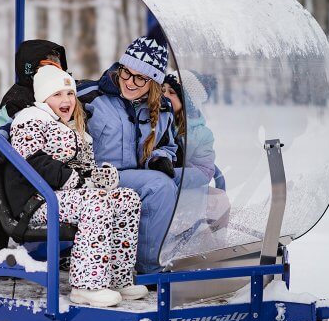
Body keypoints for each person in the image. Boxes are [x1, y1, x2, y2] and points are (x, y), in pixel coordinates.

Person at [8, 65, 146, 307]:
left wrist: (99, 177)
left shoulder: (71, 127)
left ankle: (117, 278)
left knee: (127, 198)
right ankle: (86, 286)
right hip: (37, 200)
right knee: (96, 202)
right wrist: (75, 181)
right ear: (43, 97)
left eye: (70, 94)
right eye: (58, 94)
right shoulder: (29, 120)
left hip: (65, 198)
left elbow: (83, 167)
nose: (66, 100)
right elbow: (32, 162)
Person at [79, 30, 179, 275]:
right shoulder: (91, 95)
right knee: (159, 187)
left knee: (192, 179)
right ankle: (149, 268)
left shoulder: (162, 110)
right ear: (120, 67)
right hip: (99, 178)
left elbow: (168, 146)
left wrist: (161, 158)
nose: (130, 82)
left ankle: (189, 254)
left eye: (140, 78)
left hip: (137, 176)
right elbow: (47, 111)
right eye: (127, 72)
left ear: (154, 82)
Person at [163, 71, 230, 239]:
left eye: (171, 92)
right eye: (162, 90)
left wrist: (172, 174)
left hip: (186, 187)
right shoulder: (154, 121)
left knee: (219, 200)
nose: (164, 95)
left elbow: (205, 170)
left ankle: (215, 247)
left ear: (188, 102)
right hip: (160, 190)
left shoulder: (201, 134)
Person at [0, 39, 67, 136]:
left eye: (56, 69)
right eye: (46, 68)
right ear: (31, 72)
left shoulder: (67, 90)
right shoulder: (18, 99)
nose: (51, 75)